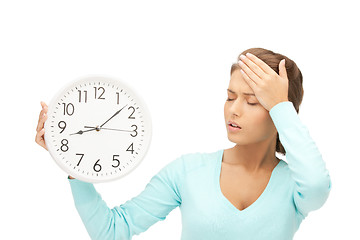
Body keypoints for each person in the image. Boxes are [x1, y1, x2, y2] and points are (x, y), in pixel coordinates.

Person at [35, 47, 332, 240]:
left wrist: (281, 107)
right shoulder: (188, 171)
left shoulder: (296, 185)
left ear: (282, 112)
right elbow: (111, 231)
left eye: (252, 101)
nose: (234, 109)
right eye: (230, 97)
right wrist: (71, 161)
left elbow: (319, 185)